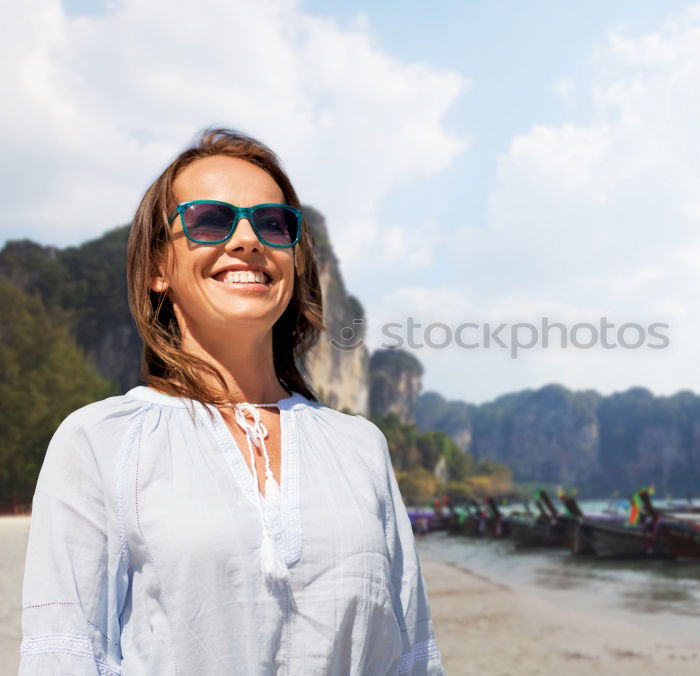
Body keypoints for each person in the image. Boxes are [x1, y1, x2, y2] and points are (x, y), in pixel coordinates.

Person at [19, 128, 443, 675]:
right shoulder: (102, 441)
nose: (248, 239)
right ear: (156, 268)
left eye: (273, 224)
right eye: (209, 220)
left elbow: (409, 659)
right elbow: (66, 656)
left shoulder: (359, 447)